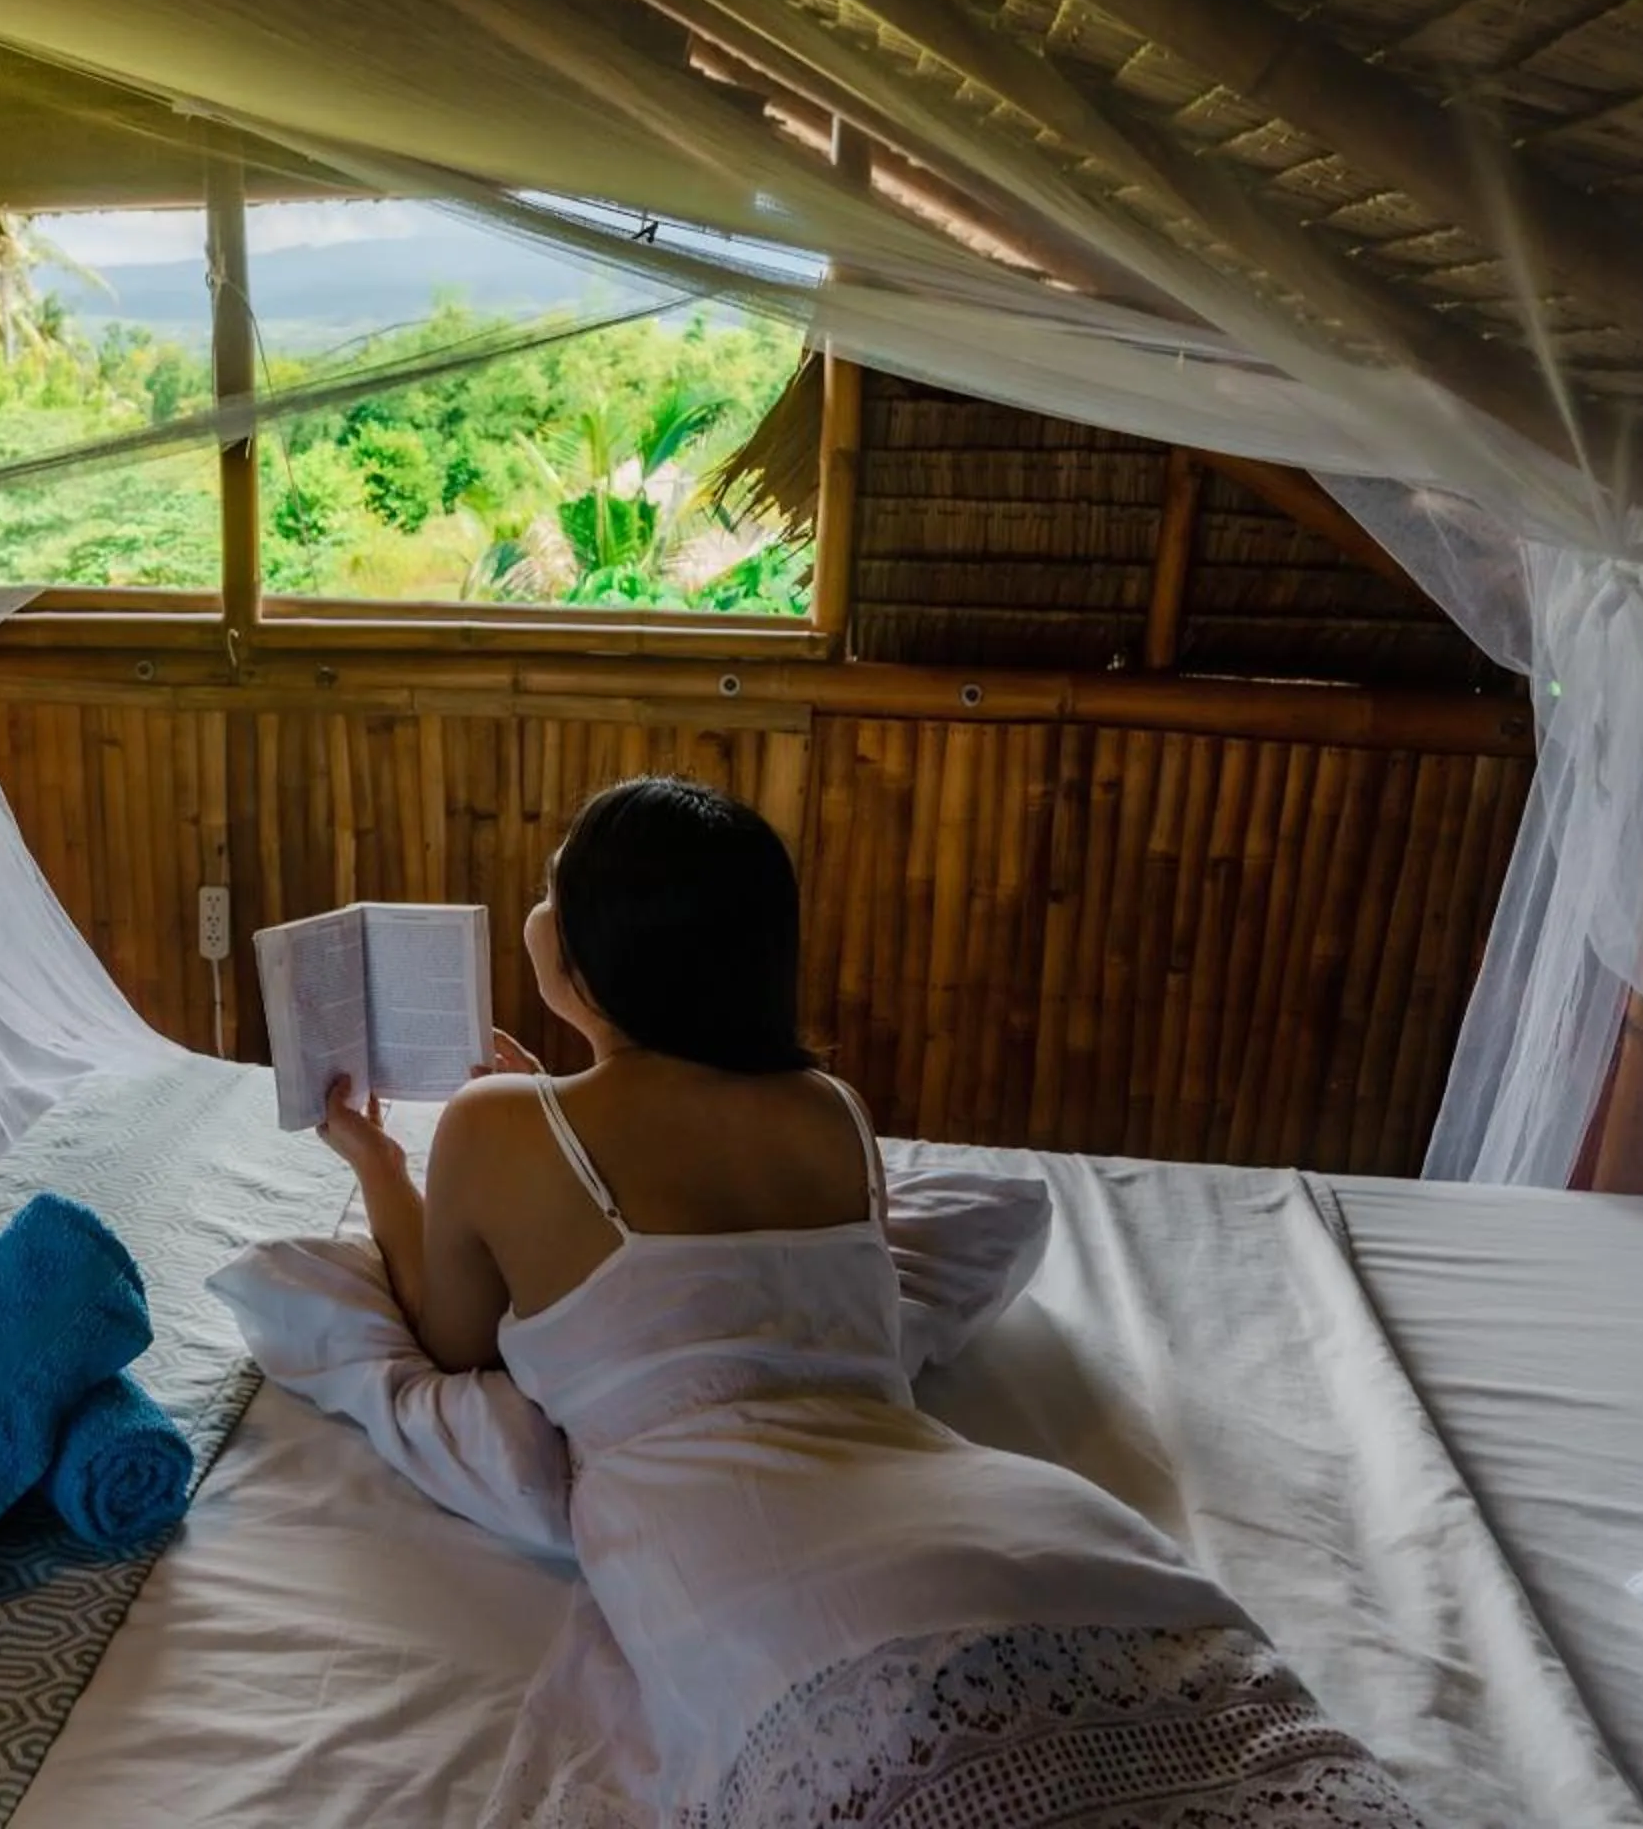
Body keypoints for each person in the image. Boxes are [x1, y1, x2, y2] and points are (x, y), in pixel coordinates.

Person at [318, 776, 1424, 1827]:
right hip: (1019, 1519)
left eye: (557, 888)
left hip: (758, 1555)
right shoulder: (829, 1107)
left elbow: (454, 1339)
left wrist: (376, 1161)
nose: (540, 908)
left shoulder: (498, 1127)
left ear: (595, 945)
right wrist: (566, 1079)